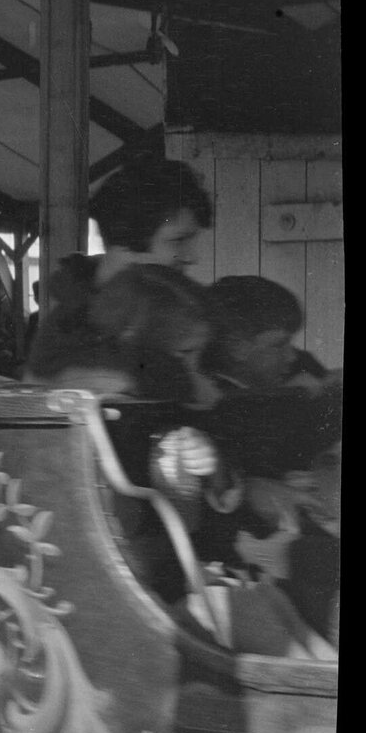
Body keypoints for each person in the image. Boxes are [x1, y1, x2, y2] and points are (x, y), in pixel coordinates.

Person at [30, 265, 330, 659]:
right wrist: (183, 469)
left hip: (186, 576)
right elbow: (169, 503)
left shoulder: (143, 408)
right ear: (137, 345)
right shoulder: (118, 415)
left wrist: (205, 467)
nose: (195, 371)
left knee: (278, 611)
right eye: (186, 355)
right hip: (156, 591)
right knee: (265, 618)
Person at [198, 276, 341, 644]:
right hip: (259, 553)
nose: (292, 356)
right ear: (237, 347)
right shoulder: (223, 410)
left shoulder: (289, 382)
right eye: (279, 344)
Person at [26, 154, 214, 380]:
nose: (193, 257)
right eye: (178, 240)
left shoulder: (181, 305)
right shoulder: (64, 343)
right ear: (126, 244)